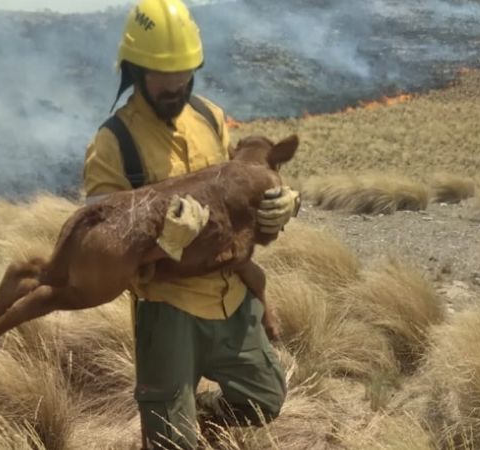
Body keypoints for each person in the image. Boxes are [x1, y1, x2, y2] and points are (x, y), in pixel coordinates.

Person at [83, 1, 301, 448]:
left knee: (265, 398)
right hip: (167, 307)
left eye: (184, 71)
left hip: (229, 294)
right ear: (135, 69)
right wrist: (163, 242)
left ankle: (196, 416)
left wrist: (284, 202)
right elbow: (97, 247)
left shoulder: (210, 117)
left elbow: (238, 190)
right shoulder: (113, 144)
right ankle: (175, 427)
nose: (176, 84)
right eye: (162, 73)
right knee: (171, 443)